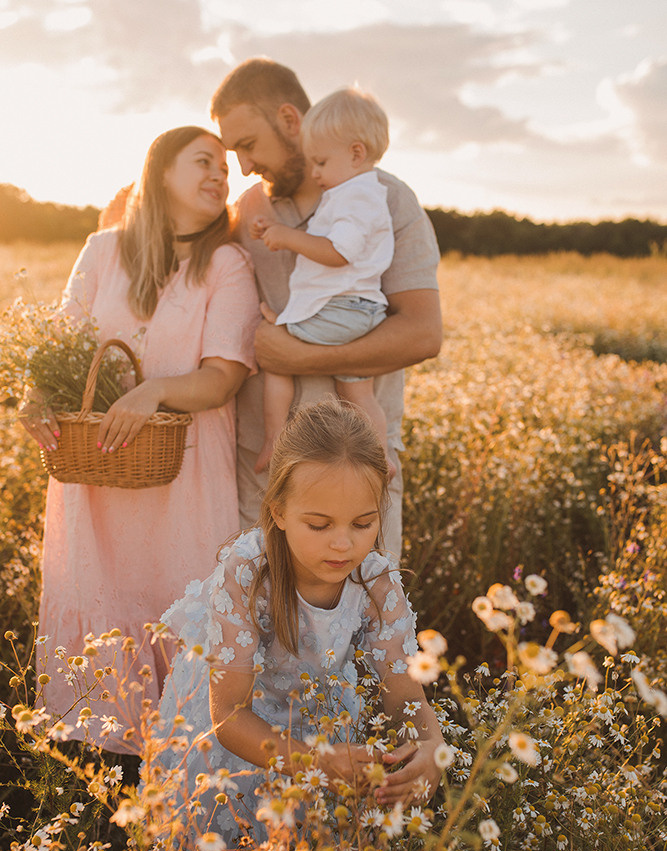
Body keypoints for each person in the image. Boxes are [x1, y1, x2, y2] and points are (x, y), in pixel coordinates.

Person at [22, 126, 261, 754]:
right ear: (160, 173)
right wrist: (36, 402)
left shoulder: (226, 263)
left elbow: (223, 376)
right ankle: (99, 785)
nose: (221, 176)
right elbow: (54, 351)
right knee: (100, 614)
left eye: (226, 171)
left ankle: (180, 780)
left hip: (181, 479)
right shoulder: (102, 251)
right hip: (95, 474)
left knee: (176, 610)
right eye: (204, 162)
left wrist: (153, 392)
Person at [152, 399, 445, 851]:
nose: (343, 543)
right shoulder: (249, 573)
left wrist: (433, 747)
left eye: (363, 523)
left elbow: (404, 697)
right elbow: (228, 714)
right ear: (279, 511)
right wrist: (314, 762)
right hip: (243, 734)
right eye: (319, 524)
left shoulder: (376, 583)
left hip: (324, 725)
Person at [210, 58, 443, 559]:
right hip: (262, 472)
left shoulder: (387, 201)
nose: (244, 167)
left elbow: (423, 333)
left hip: (356, 476)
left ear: (290, 121)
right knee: (255, 630)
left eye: (248, 145)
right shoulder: (248, 210)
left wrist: (296, 357)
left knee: (360, 632)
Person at [250, 88, 395, 477]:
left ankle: (273, 439)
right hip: (359, 309)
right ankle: (382, 455)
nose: (314, 173)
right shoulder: (361, 193)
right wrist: (275, 228)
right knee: (358, 392)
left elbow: (337, 252)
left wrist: (285, 237)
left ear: (356, 153)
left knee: (278, 356)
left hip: (343, 308)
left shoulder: (354, 196)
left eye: (321, 162)